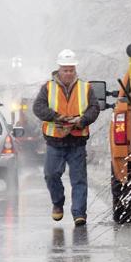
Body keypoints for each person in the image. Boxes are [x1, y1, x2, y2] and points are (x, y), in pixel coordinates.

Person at [33, 49, 99, 226]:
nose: (68, 73)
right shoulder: (47, 88)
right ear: (59, 70)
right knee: (51, 175)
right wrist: (56, 117)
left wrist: (82, 120)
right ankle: (58, 203)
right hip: (55, 140)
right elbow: (38, 108)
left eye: (71, 70)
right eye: (65, 70)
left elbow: (94, 108)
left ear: (75, 70)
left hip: (77, 141)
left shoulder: (86, 88)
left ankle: (79, 214)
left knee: (78, 179)